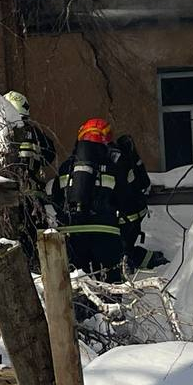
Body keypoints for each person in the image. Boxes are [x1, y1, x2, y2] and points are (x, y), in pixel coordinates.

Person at [50, 117, 129, 282]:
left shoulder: (66, 167)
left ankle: (82, 308)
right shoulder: (113, 167)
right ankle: (111, 307)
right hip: (106, 232)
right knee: (110, 283)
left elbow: (56, 198)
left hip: (71, 234)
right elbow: (124, 199)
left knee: (76, 283)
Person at [4, 91, 55, 266]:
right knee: (36, 233)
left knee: (19, 234)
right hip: (36, 196)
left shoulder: (4, 132)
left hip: (13, 195)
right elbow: (50, 154)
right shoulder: (35, 132)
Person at [114, 133, 164, 269]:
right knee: (127, 244)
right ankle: (133, 260)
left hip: (124, 215)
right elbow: (144, 182)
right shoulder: (133, 159)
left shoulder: (119, 164)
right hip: (137, 212)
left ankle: (126, 263)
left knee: (124, 245)